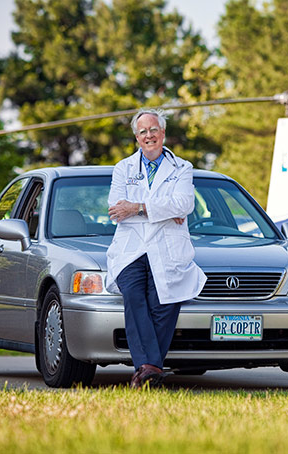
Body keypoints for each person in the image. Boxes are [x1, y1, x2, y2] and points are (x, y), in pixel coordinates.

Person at [106, 108, 207, 388]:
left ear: (162, 133)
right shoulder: (123, 169)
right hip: (131, 248)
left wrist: (138, 207)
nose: (148, 135)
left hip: (167, 250)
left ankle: (147, 371)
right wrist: (162, 210)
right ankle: (151, 368)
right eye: (142, 132)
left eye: (153, 130)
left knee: (163, 305)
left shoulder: (182, 168)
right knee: (135, 299)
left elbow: (185, 204)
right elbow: (116, 207)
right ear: (136, 138)